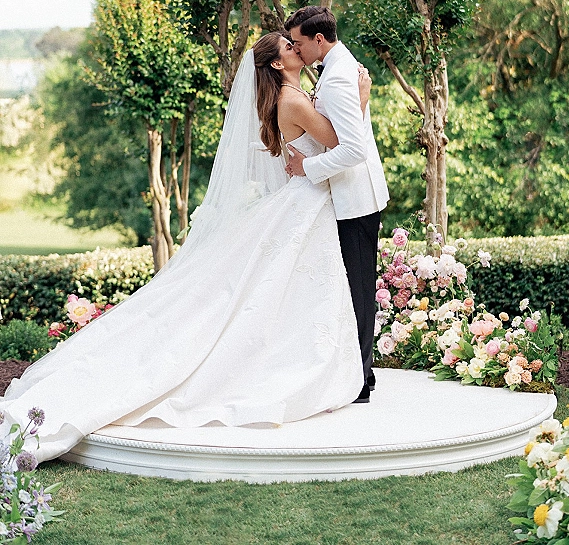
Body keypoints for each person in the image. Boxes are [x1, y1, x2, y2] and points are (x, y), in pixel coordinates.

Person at [0, 32, 371, 463]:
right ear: (275, 64)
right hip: (304, 202)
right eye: (289, 47)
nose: (296, 49)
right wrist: (359, 100)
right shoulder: (293, 99)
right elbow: (339, 141)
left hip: (299, 198)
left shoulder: (285, 97)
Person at [285, 7, 389, 403]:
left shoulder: (337, 77)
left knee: (359, 291)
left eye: (298, 42)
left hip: (355, 199)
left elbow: (353, 150)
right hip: (351, 196)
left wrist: (307, 167)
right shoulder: (338, 68)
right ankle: (364, 374)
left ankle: (361, 382)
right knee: (353, 287)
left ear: (319, 40)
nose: (296, 47)